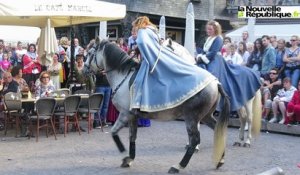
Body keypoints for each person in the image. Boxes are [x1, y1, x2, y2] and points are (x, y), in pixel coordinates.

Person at [130, 16, 216, 112]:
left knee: (139, 81)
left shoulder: (143, 31)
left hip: (212, 60)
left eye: (135, 28)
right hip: (163, 55)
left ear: (139, 24)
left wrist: (145, 53)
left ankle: (137, 105)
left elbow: (142, 42)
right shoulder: (153, 30)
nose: (134, 31)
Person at [196, 20, 261, 112]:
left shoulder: (218, 38)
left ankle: (217, 97)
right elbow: (204, 51)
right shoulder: (209, 38)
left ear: (215, 29)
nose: (208, 31)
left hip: (215, 60)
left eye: (210, 29)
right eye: (207, 29)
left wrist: (202, 58)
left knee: (211, 75)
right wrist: (199, 56)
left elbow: (213, 52)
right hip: (207, 58)